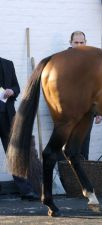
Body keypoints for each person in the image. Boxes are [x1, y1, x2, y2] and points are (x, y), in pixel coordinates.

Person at [0, 57, 39, 200]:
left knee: (14, 153)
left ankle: (26, 190)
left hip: (7, 116)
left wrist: (12, 91)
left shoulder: (8, 64)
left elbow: (16, 87)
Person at [69, 31, 102, 159]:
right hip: (69, 113)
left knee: (84, 147)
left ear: (86, 43)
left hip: (87, 111)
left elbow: (97, 87)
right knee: (69, 148)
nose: (79, 45)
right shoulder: (63, 61)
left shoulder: (92, 61)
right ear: (70, 43)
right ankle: (68, 178)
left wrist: (99, 111)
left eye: (82, 42)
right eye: (76, 42)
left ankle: (82, 177)